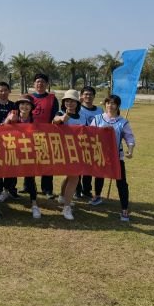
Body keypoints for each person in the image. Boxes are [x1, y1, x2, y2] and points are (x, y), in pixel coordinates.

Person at [88, 95, 136, 221]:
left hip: (116, 157)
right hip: (100, 154)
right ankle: (97, 196)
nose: (110, 105)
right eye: (108, 103)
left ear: (118, 106)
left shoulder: (123, 122)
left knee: (121, 182)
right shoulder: (97, 119)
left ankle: (124, 209)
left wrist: (130, 150)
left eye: (113, 103)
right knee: (99, 176)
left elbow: (129, 137)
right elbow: (90, 134)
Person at [4, 94, 42, 219]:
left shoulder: (34, 119)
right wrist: (8, 120)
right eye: (22, 104)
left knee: (30, 177)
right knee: (9, 173)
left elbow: (39, 135)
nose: (24, 106)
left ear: (31, 107)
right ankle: (6, 191)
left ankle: (34, 204)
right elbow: (2, 129)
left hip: (28, 152)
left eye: (27, 104)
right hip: (13, 150)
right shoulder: (13, 114)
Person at [52, 89, 88, 220]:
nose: (69, 103)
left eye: (72, 101)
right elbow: (55, 121)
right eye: (67, 101)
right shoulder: (61, 113)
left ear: (77, 103)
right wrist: (62, 118)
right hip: (65, 151)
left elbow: (87, 131)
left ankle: (62, 197)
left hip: (79, 151)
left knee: (70, 176)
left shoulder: (82, 117)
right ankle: (66, 208)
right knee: (75, 178)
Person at [31, 74, 59, 199]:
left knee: (46, 163)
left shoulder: (52, 98)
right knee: (29, 161)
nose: (40, 84)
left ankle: (47, 189)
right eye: (37, 81)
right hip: (29, 135)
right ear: (34, 84)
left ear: (47, 84)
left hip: (46, 135)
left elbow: (55, 117)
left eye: (42, 81)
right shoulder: (28, 98)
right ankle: (28, 186)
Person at [0, 81, 18, 200]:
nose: (3, 93)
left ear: (9, 91)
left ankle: (10, 189)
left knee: (10, 165)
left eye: (5, 90)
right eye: (0, 90)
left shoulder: (14, 105)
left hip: (10, 140)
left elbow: (17, 122)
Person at [78, 86, 103, 200]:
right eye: (86, 94)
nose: (88, 96)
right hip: (79, 142)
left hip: (93, 143)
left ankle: (86, 190)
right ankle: (77, 190)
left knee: (89, 167)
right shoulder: (78, 108)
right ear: (81, 96)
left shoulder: (99, 110)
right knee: (78, 167)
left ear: (94, 96)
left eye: (90, 94)